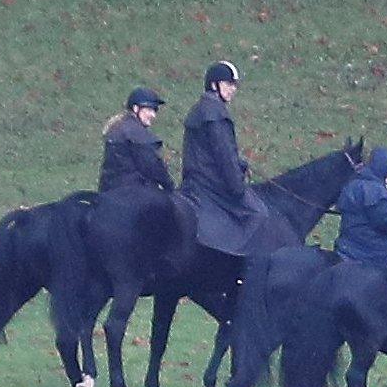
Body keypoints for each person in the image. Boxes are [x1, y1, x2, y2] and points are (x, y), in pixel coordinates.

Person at [180, 61, 275, 256]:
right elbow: (224, 156)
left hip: (195, 179)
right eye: (228, 84)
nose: (233, 89)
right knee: (259, 213)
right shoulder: (215, 114)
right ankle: (233, 256)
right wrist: (237, 188)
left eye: (234, 85)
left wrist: (241, 164)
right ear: (214, 85)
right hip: (210, 183)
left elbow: (210, 151)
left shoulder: (201, 109)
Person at [334, 146, 387, 268]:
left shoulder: (353, 184)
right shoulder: (375, 190)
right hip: (368, 245)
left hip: (347, 241)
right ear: (383, 170)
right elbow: (383, 221)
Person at [97, 87, 175, 193]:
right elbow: (154, 167)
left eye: (155, 110)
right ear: (135, 108)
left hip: (108, 191)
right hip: (132, 194)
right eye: (149, 109)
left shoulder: (117, 128)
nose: (153, 115)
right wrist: (170, 187)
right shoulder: (136, 134)